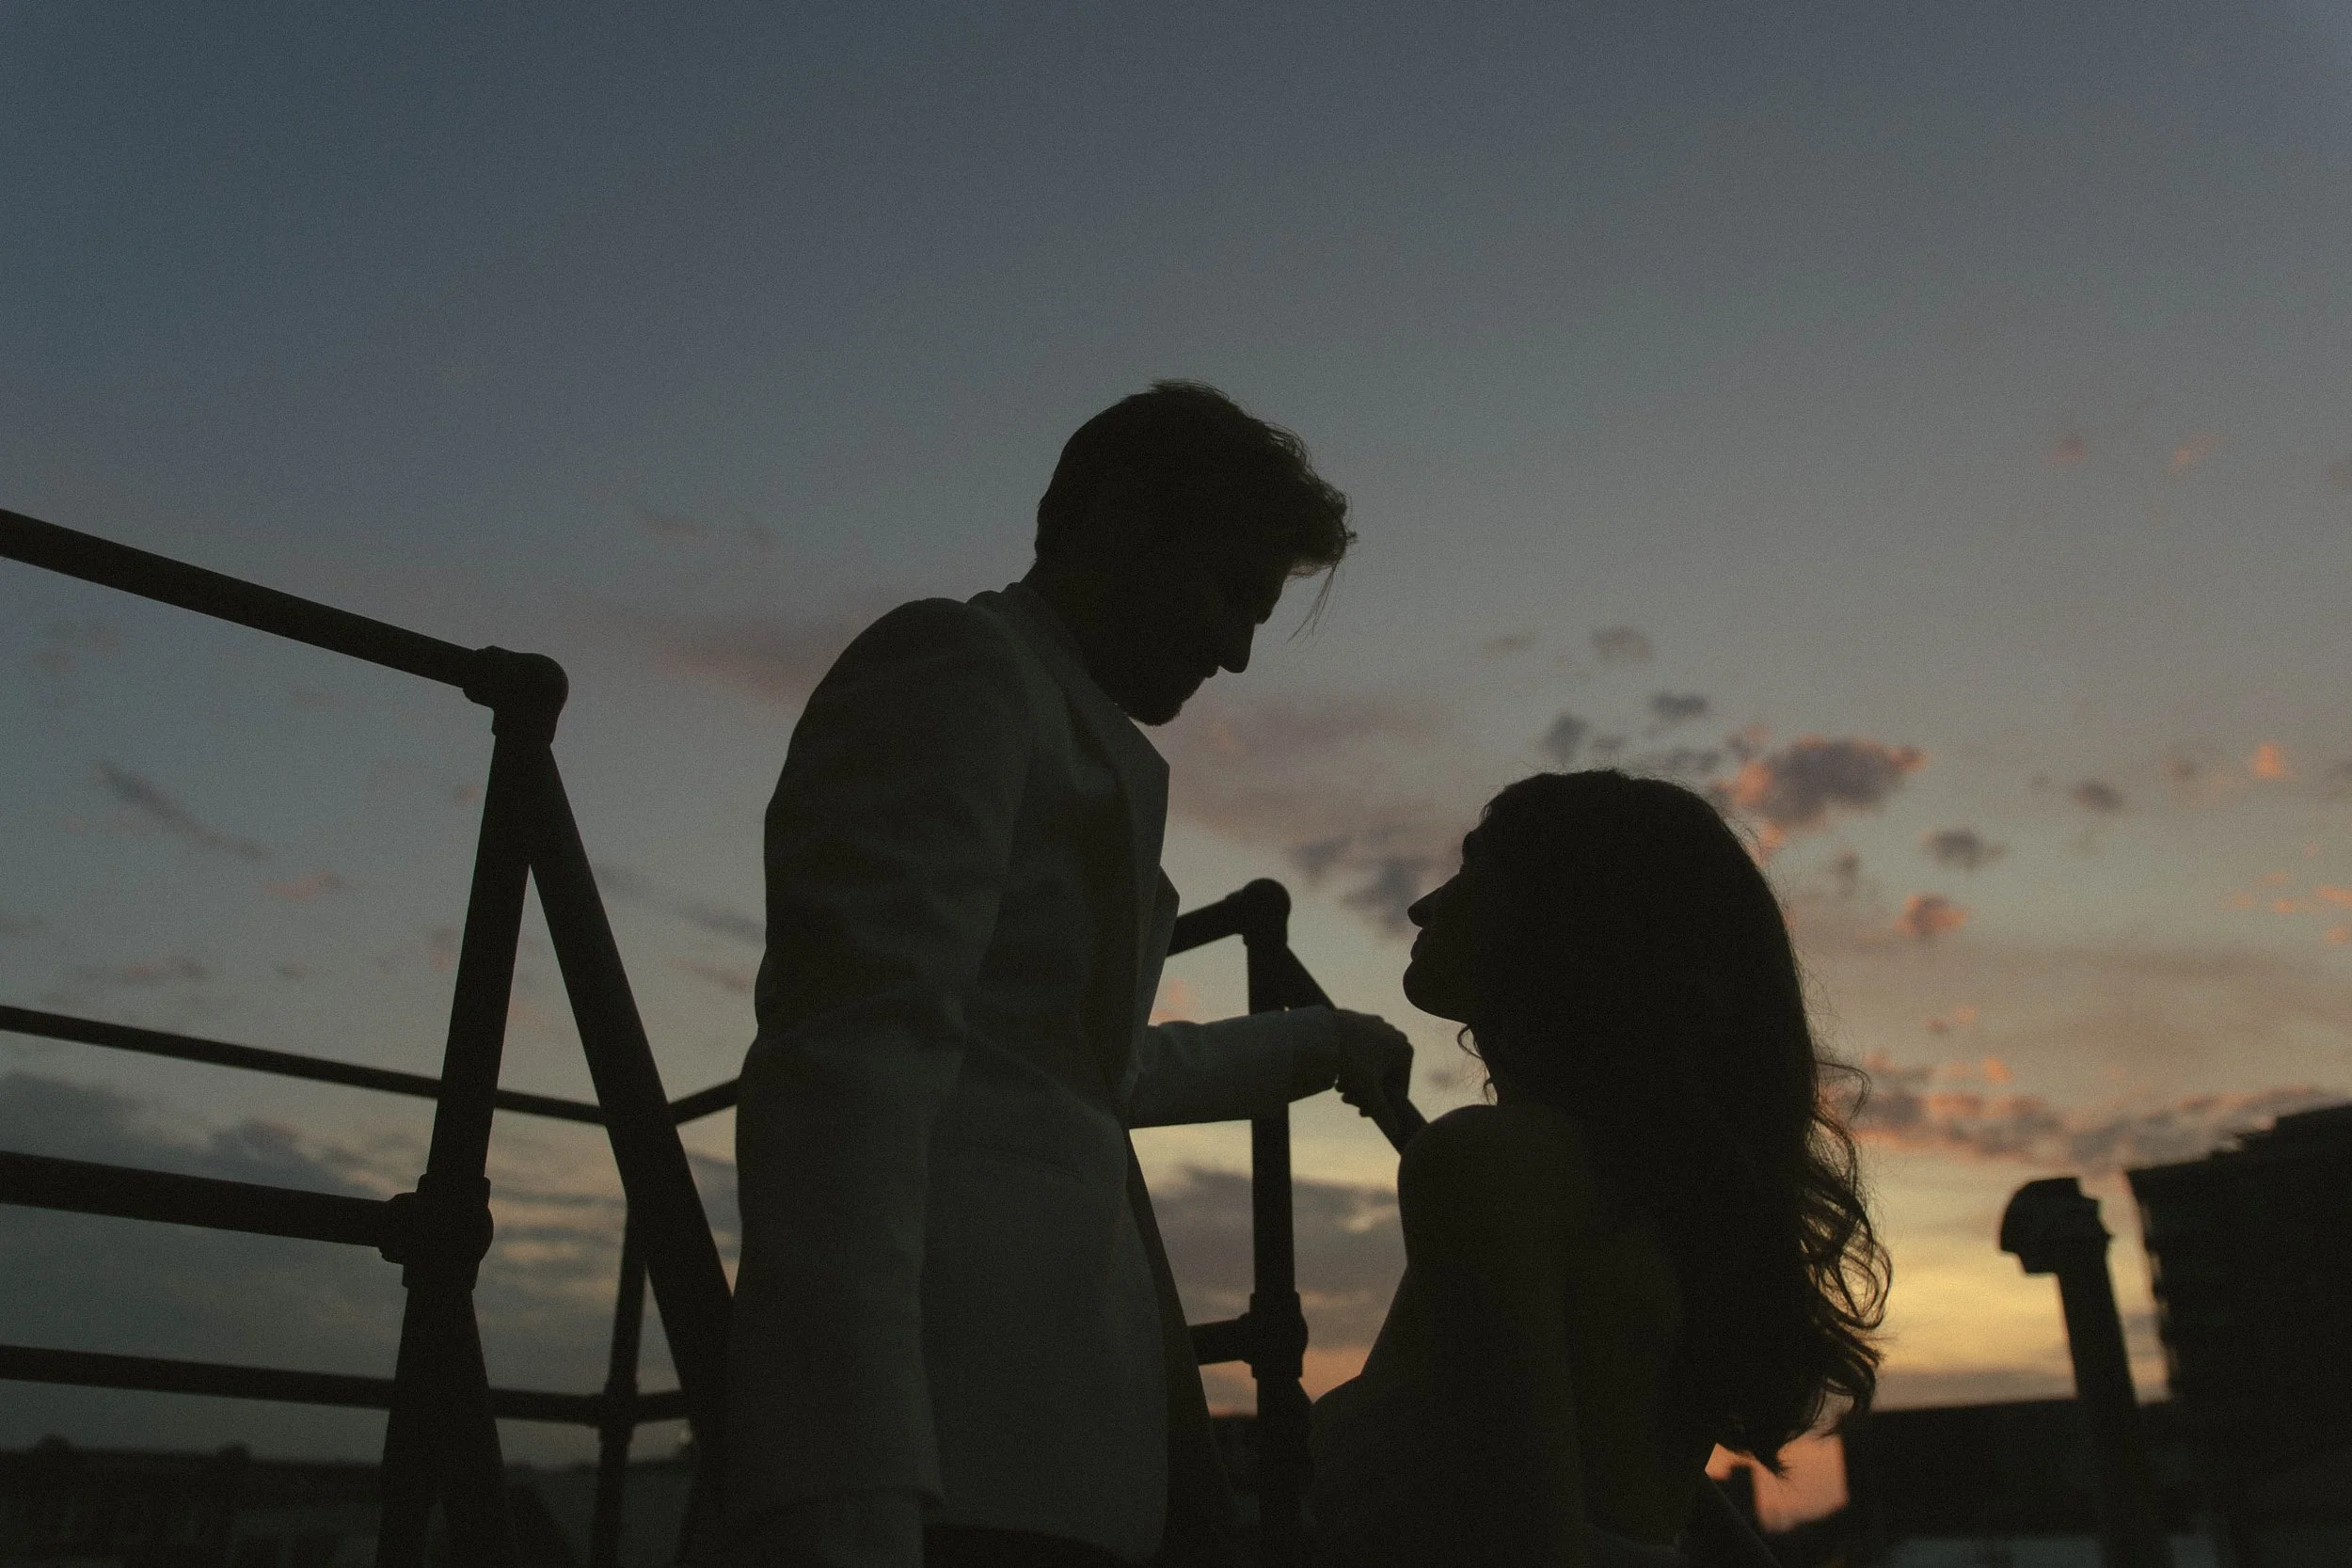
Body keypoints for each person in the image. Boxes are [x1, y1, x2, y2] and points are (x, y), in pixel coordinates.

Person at [723, 382, 1416, 1568]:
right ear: (1121, 518)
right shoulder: (959, 665)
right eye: (1230, 591)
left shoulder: (1035, 705)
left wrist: (1319, 1039)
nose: (1238, 652)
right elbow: (850, 1055)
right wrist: (847, 1463)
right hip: (949, 1424)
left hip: (1044, 1425)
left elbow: (1086, 1068)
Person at [1311, 771, 1888, 1568]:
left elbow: (1528, 1540)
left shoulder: (1489, 1162)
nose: (1422, 906)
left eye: (1474, 866)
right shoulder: (1667, 1200)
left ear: (1561, 916)